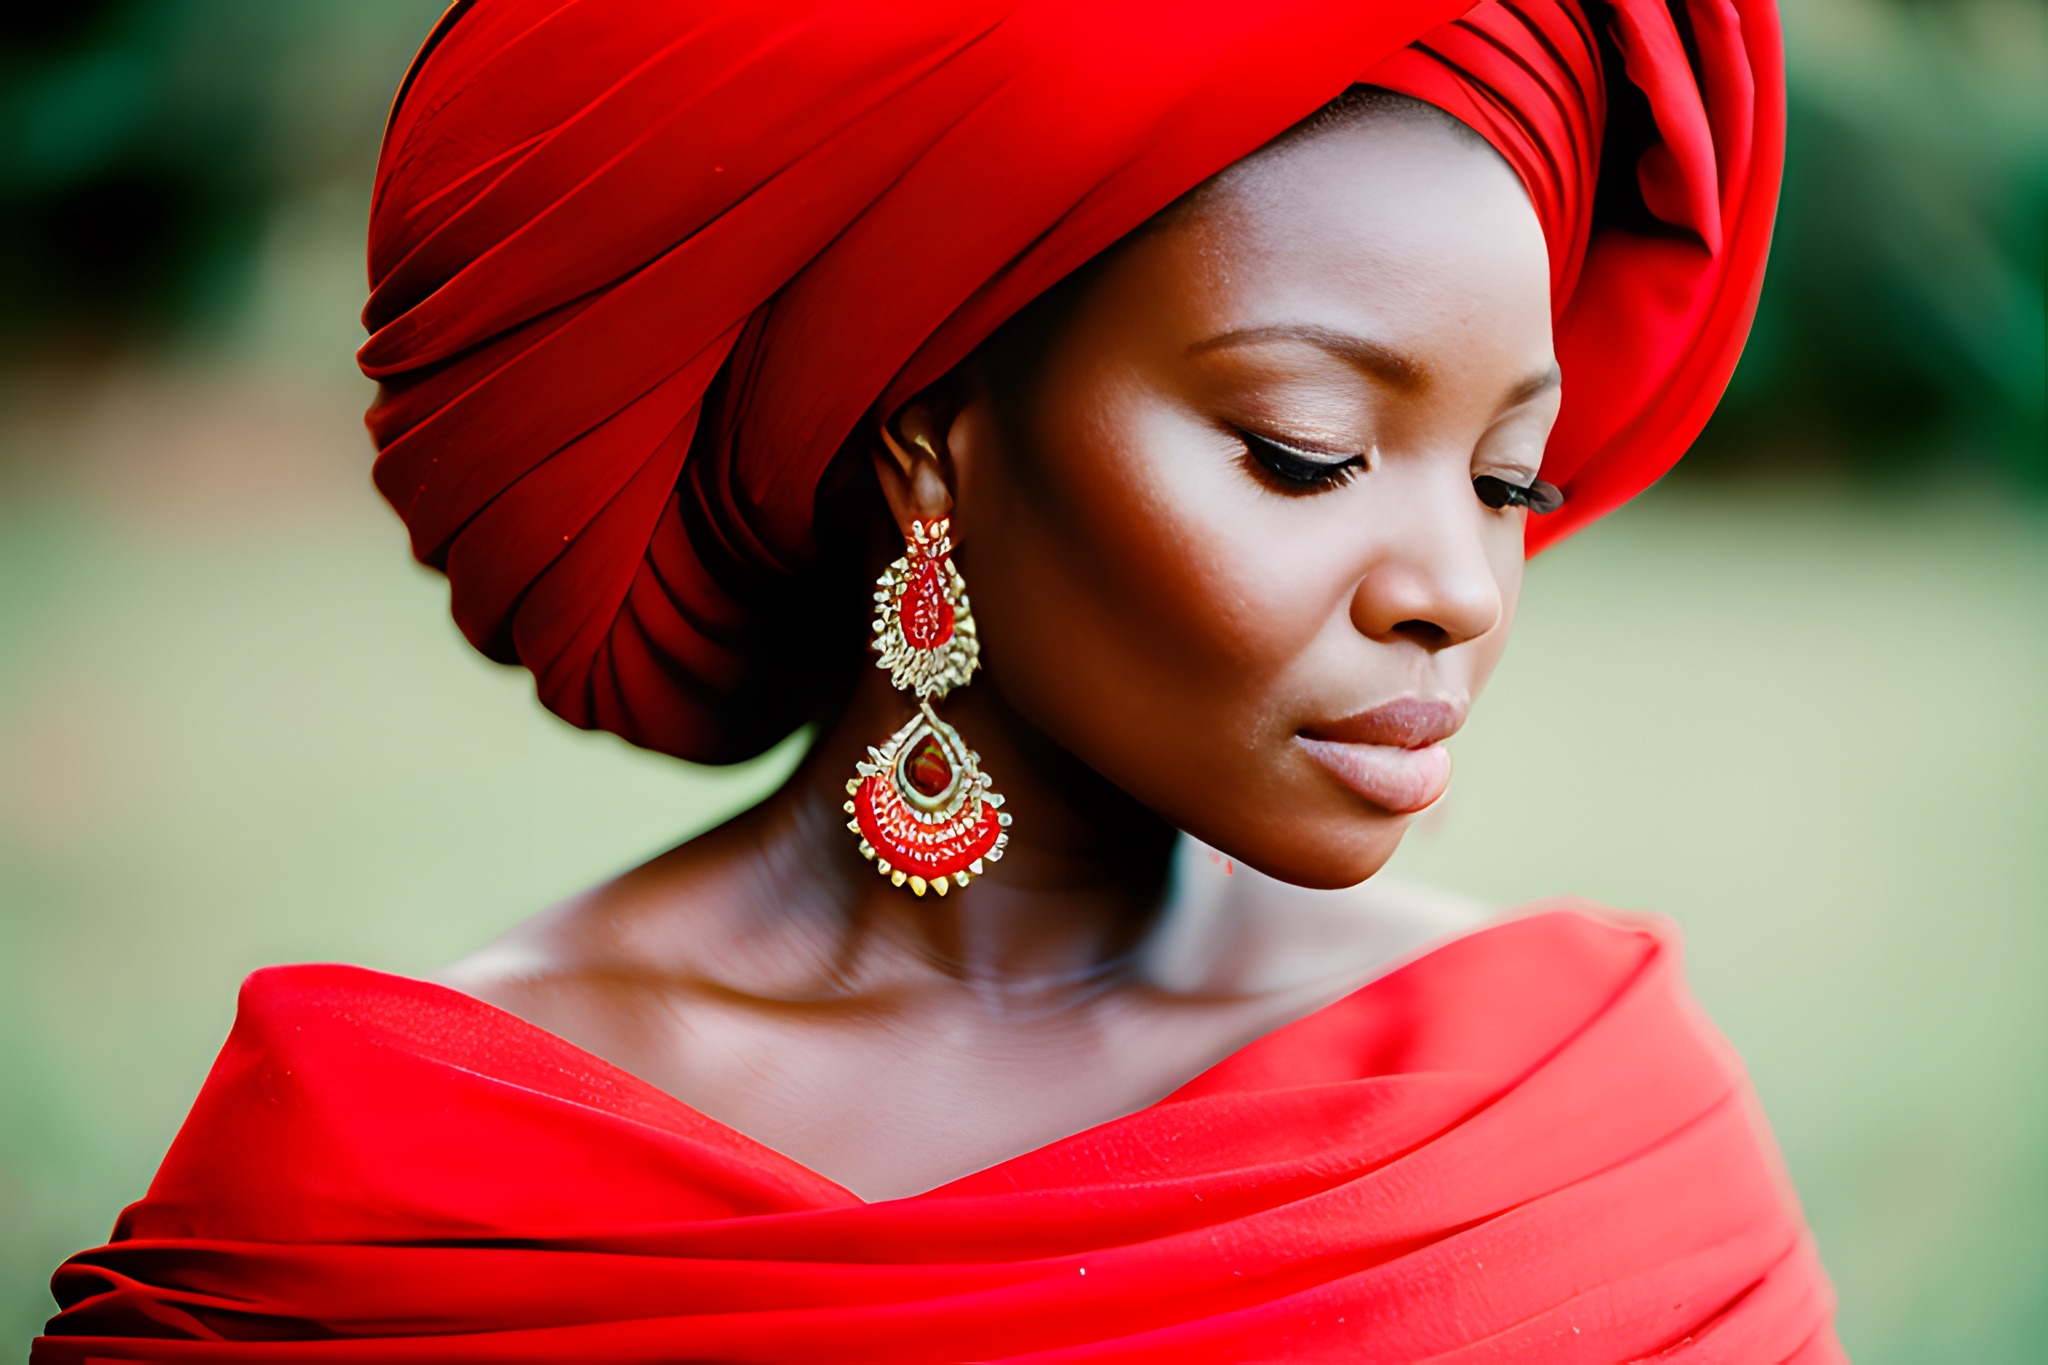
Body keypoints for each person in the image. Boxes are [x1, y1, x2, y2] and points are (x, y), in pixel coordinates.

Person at [37, 0, 1841, 1359]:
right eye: (1304, 451)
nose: (1458, 586)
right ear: (928, 444)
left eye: (1506, 476)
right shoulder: (382, 1209)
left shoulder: (1583, 1144)